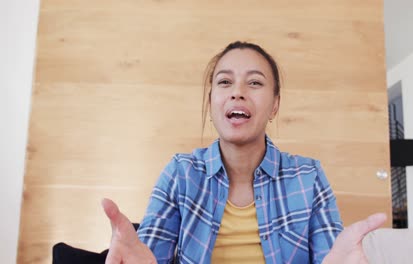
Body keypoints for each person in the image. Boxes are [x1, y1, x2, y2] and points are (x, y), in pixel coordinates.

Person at [101, 41, 387, 264]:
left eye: (255, 82)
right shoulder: (180, 173)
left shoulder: (308, 176)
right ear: (211, 101)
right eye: (224, 82)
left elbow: (331, 256)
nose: (237, 92)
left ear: (275, 105)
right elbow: (148, 255)